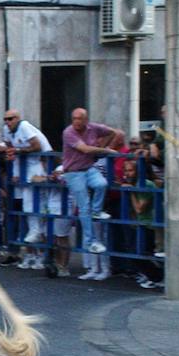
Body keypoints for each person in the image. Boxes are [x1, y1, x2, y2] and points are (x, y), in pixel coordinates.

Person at [0, 109, 54, 269]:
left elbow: (36, 146)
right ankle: (33, 249)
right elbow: (8, 148)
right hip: (26, 168)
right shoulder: (7, 130)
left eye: (11, 118)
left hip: (40, 165)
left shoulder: (24, 127)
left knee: (39, 206)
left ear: (18, 119)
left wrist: (18, 151)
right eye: (5, 119)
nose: (7, 121)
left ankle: (42, 252)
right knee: (27, 205)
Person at [57, 108, 124, 255]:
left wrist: (104, 145)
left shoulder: (93, 128)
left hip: (88, 168)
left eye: (79, 119)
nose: (76, 122)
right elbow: (85, 149)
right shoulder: (69, 132)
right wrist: (105, 151)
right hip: (73, 172)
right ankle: (90, 242)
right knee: (84, 205)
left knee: (102, 184)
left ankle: (97, 211)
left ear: (86, 120)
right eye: (74, 118)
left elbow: (114, 132)